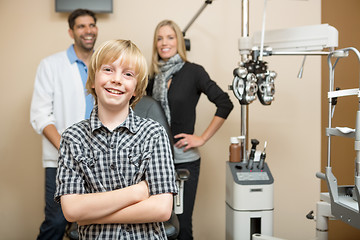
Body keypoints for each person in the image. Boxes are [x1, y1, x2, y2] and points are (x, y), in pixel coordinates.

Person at [55, 39, 178, 240]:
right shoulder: (72, 138)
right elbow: (71, 210)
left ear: (136, 89)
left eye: (128, 74)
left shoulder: (154, 133)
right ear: (93, 80)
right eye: (108, 70)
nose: (117, 79)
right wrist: (137, 192)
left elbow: (162, 209)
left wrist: (90, 216)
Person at [147, 19, 234, 239]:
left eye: (170, 37)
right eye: (159, 38)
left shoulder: (194, 72)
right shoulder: (151, 78)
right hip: (155, 161)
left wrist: (202, 138)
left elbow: (225, 103)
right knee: (156, 225)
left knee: (182, 226)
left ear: (179, 41)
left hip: (184, 160)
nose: (164, 43)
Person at [30, 8, 98, 240]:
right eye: (81, 26)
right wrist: (68, 150)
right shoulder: (51, 65)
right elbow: (40, 115)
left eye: (91, 25)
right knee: (57, 221)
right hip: (61, 160)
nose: (88, 31)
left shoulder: (105, 63)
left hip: (102, 157)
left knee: (100, 222)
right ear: (71, 32)